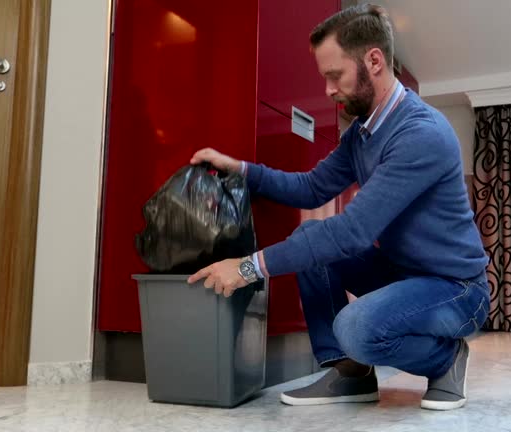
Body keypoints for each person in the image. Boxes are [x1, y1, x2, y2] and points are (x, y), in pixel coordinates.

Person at [188, 4, 489, 411]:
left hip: (456, 290)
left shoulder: (422, 134)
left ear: (374, 61)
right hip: (401, 275)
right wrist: (242, 169)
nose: (329, 89)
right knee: (311, 239)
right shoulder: (362, 135)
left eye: (335, 75)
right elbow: (312, 188)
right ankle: (349, 373)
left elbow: (352, 234)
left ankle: (446, 358)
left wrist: (247, 268)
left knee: (357, 326)